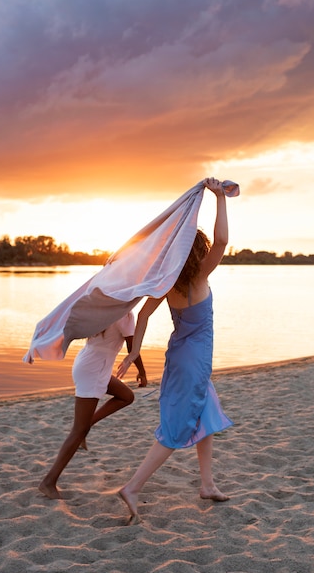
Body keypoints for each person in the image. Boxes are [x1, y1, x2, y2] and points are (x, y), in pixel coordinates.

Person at [117, 177, 233, 524]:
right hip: (193, 360)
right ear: (198, 252)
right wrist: (220, 198)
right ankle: (133, 487)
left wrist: (136, 349)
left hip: (181, 356)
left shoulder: (167, 284)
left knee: (206, 417)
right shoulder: (199, 276)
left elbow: (143, 314)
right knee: (177, 427)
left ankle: (207, 484)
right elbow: (224, 240)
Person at [39, 312, 147, 500]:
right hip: (95, 368)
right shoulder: (123, 314)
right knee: (78, 430)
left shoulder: (106, 307)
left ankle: (86, 428)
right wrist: (142, 373)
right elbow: (132, 346)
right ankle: (48, 482)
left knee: (126, 396)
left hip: (89, 362)